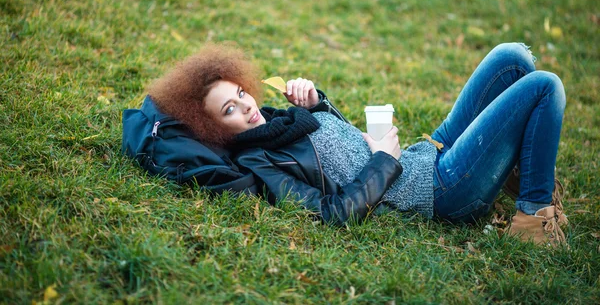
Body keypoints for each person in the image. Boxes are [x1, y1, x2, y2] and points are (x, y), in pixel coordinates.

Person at [147, 42, 568, 246]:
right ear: (216, 130)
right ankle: (534, 218)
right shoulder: (260, 161)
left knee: (512, 59)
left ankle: (515, 167)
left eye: (240, 94)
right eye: (229, 111)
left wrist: (319, 104)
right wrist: (383, 158)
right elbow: (333, 213)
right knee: (544, 87)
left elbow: (341, 149)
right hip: (438, 190)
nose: (245, 106)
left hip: (427, 154)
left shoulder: (273, 122)